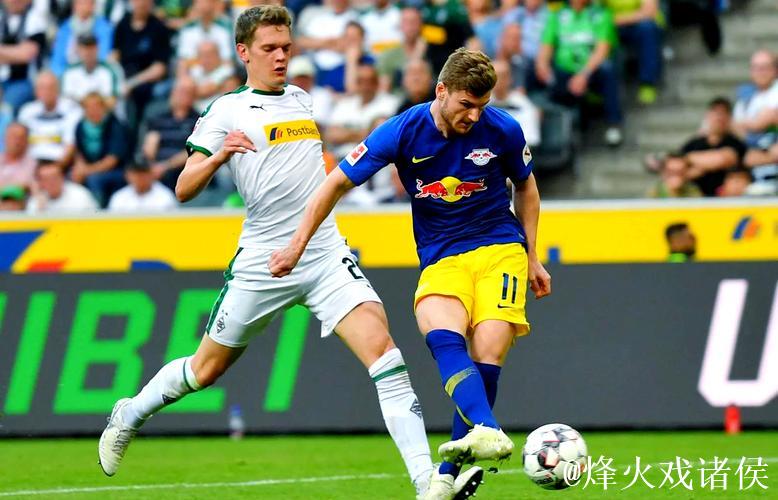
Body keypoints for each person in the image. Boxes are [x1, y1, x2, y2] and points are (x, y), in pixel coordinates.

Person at [97, 7, 482, 499]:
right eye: (269, 49)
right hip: (264, 260)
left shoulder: (300, 98)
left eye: (286, 47)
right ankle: (130, 413)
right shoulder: (226, 110)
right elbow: (184, 187)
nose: (281, 57)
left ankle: (427, 483)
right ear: (244, 52)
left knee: (386, 354)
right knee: (204, 369)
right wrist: (218, 155)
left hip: (323, 253)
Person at [270, 48, 550, 498]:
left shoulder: (503, 129)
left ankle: (445, 475)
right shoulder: (402, 130)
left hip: (501, 249)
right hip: (442, 256)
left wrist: (533, 256)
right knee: (440, 333)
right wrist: (296, 244)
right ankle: (485, 431)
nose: (474, 116)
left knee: (487, 350)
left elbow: (527, 187)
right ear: (441, 91)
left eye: (482, 106)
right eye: (466, 104)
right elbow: (336, 182)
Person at [535, 0, 623, 146]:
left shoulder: (601, 14)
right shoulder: (557, 14)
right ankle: (561, 132)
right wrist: (542, 64)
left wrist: (584, 74)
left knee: (608, 70)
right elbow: (547, 45)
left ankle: (613, 124)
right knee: (546, 76)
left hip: (591, 70)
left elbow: (602, 50)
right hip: (565, 71)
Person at [141, 78, 200, 191]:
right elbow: (149, 146)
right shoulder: (159, 118)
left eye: (188, 92)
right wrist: (151, 164)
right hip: (155, 168)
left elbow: (193, 152)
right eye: (180, 91)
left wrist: (165, 166)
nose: (183, 96)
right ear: (173, 93)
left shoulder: (198, 120)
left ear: (194, 96)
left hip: (181, 169)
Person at [26, 161, 98, 213]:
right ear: (40, 182)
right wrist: (41, 207)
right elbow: (32, 226)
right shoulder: (36, 200)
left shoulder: (81, 194)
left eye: (54, 178)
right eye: (46, 179)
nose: (51, 182)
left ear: (62, 178)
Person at [107, 162, 178, 211]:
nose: (139, 177)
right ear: (128, 175)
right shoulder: (119, 197)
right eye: (135, 174)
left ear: (151, 174)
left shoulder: (165, 196)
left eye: (143, 173)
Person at [0, 123, 35, 190]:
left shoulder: (34, 165)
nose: (16, 141)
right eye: (12, 136)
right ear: (4, 138)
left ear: (27, 141)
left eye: (20, 137)